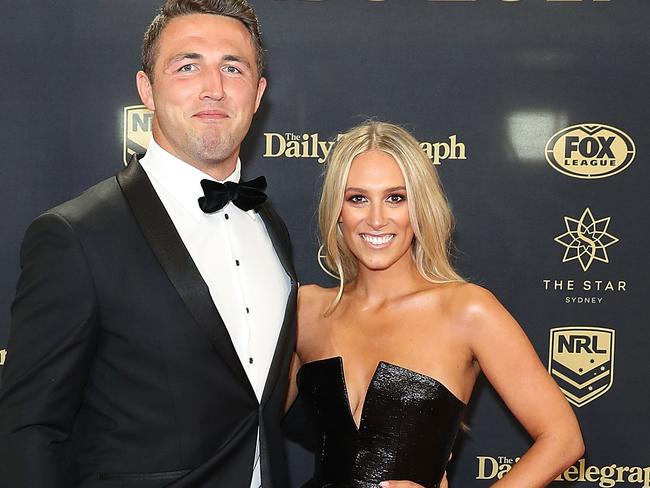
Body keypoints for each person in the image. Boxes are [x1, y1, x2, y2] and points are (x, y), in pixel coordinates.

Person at [0, 1, 297, 487]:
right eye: (187, 65)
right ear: (147, 89)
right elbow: (30, 431)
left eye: (233, 67)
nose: (213, 87)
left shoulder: (270, 227)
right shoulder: (76, 236)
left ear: (259, 92)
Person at [285, 121, 584, 488]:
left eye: (396, 197)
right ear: (338, 211)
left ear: (420, 206)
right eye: (357, 198)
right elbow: (251, 422)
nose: (377, 219)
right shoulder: (306, 308)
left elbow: (563, 439)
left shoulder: (468, 311)